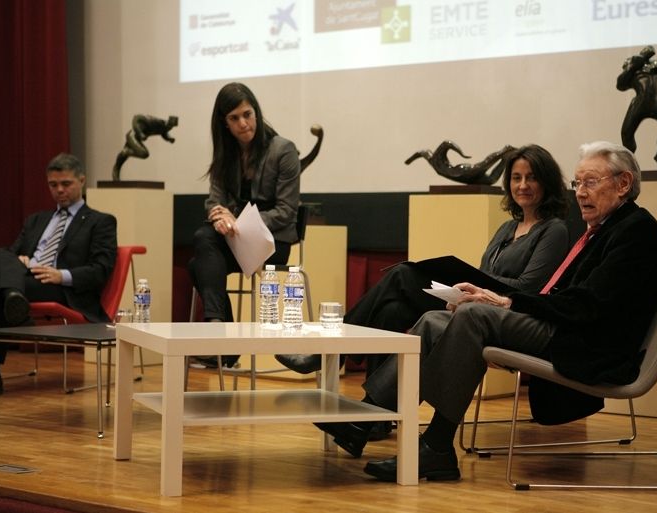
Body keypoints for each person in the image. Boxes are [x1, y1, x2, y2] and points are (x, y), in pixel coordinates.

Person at [345, 141, 657, 482]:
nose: (580, 193)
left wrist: (506, 302)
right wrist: (495, 298)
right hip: (564, 326)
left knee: (473, 315)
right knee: (434, 318)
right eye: (577, 184)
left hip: (586, 342)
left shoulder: (636, 230)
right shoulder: (605, 229)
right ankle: (365, 417)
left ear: (623, 184)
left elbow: (586, 305)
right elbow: (567, 297)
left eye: (590, 182)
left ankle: (436, 444)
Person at [278, 143, 570, 442]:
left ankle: (331, 353)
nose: (522, 185)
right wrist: (467, 285)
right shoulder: (507, 228)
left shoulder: (553, 229)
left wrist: (473, 283)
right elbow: (485, 272)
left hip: (505, 315)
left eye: (531, 177)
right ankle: (374, 420)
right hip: (473, 303)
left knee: (403, 274)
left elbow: (527, 288)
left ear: (546, 181)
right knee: (391, 310)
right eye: (516, 177)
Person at [0, 153, 118, 399]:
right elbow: (8, 255)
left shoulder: (100, 221)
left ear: (82, 180)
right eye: (53, 185)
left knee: (2, 292)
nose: (59, 190)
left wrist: (61, 275)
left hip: (63, 289)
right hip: (26, 280)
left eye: (66, 184)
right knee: (1, 255)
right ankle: (13, 299)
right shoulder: (36, 220)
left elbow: (101, 269)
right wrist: (20, 260)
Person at [188, 82, 300, 367]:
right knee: (203, 237)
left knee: (198, 263)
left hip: (272, 243)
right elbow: (213, 200)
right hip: (236, 240)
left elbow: (286, 212)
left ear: (257, 113)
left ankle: (220, 340)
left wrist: (238, 221)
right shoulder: (225, 155)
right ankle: (217, 326)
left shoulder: (283, 150)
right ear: (224, 123)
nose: (243, 123)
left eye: (247, 114)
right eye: (234, 118)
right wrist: (219, 216)